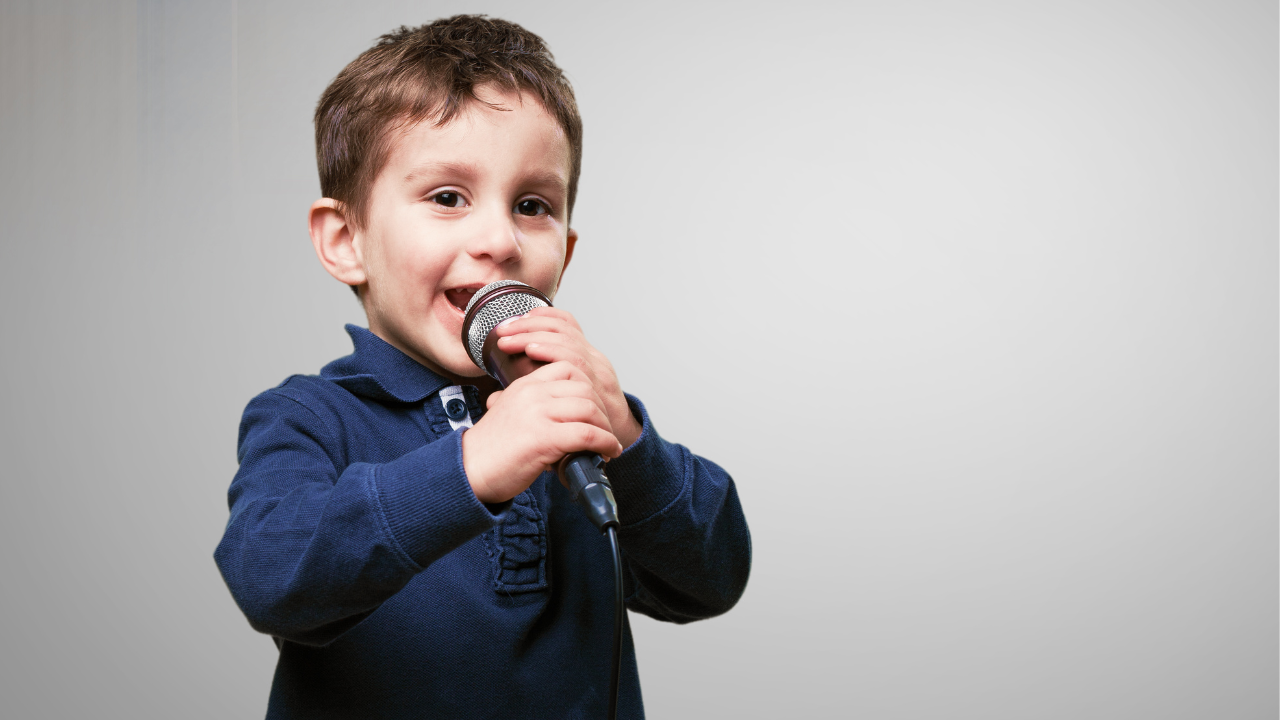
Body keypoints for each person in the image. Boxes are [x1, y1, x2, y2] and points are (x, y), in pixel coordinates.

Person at [214, 15, 751, 719]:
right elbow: (271, 574)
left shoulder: (570, 414)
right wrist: (470, 466)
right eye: (447, 198)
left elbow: (712, 577)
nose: (498, 239)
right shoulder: (307, 417)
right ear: (346, 240)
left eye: (533, 206)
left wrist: (625, 438)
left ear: (565, 249)